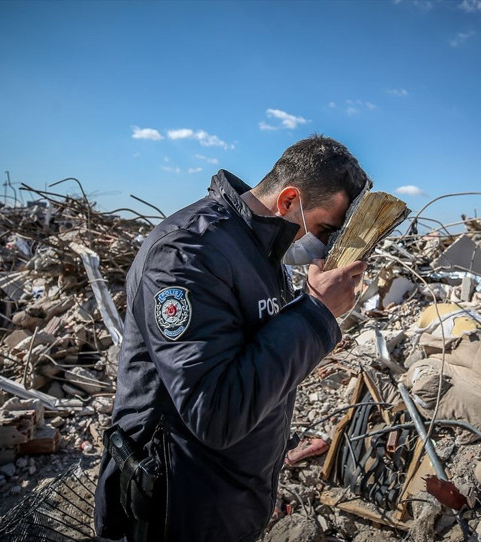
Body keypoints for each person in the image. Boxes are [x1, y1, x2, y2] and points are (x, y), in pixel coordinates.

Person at [94, 135, 370, 541]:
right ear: (289, 201)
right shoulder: (188, 254)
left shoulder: (261, 251)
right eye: (327, 230)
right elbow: (215, 412)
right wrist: (315, 312)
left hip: (228, 499)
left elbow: (258, 365)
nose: (324, 247)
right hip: (174, 506)